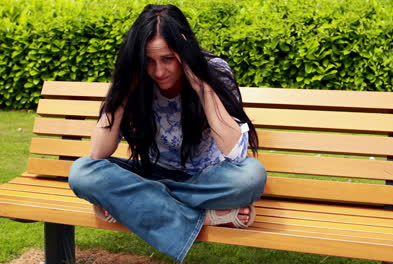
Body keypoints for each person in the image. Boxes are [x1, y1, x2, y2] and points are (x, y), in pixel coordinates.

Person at [68, 4, 267, 262]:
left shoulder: (215, 71)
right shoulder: (136, 79)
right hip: (152, 173)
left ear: (184, 53)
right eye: (149, 61)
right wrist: (124, 87)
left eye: (168, 59)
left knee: (251, 177)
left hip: (204, 179)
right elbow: (98, 152)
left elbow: (235, 153)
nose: (159, 72)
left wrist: (200, 84)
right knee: (82, 173)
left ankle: (134, 204)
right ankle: (203, 217)